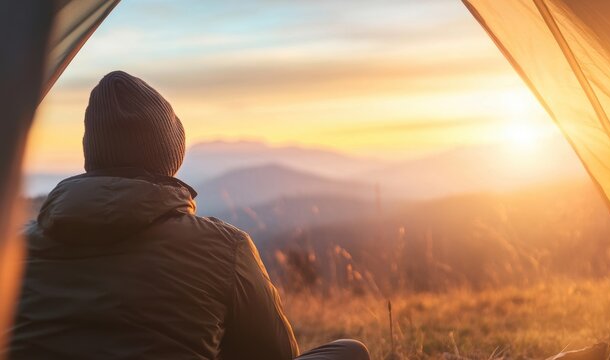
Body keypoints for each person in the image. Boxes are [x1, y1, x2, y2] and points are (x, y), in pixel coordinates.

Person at [6, 71, 370, 360]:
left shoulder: (15, 251)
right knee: (350, 352)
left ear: (91, 154)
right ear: (169, 157)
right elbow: (275, 354)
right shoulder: (224, 247)